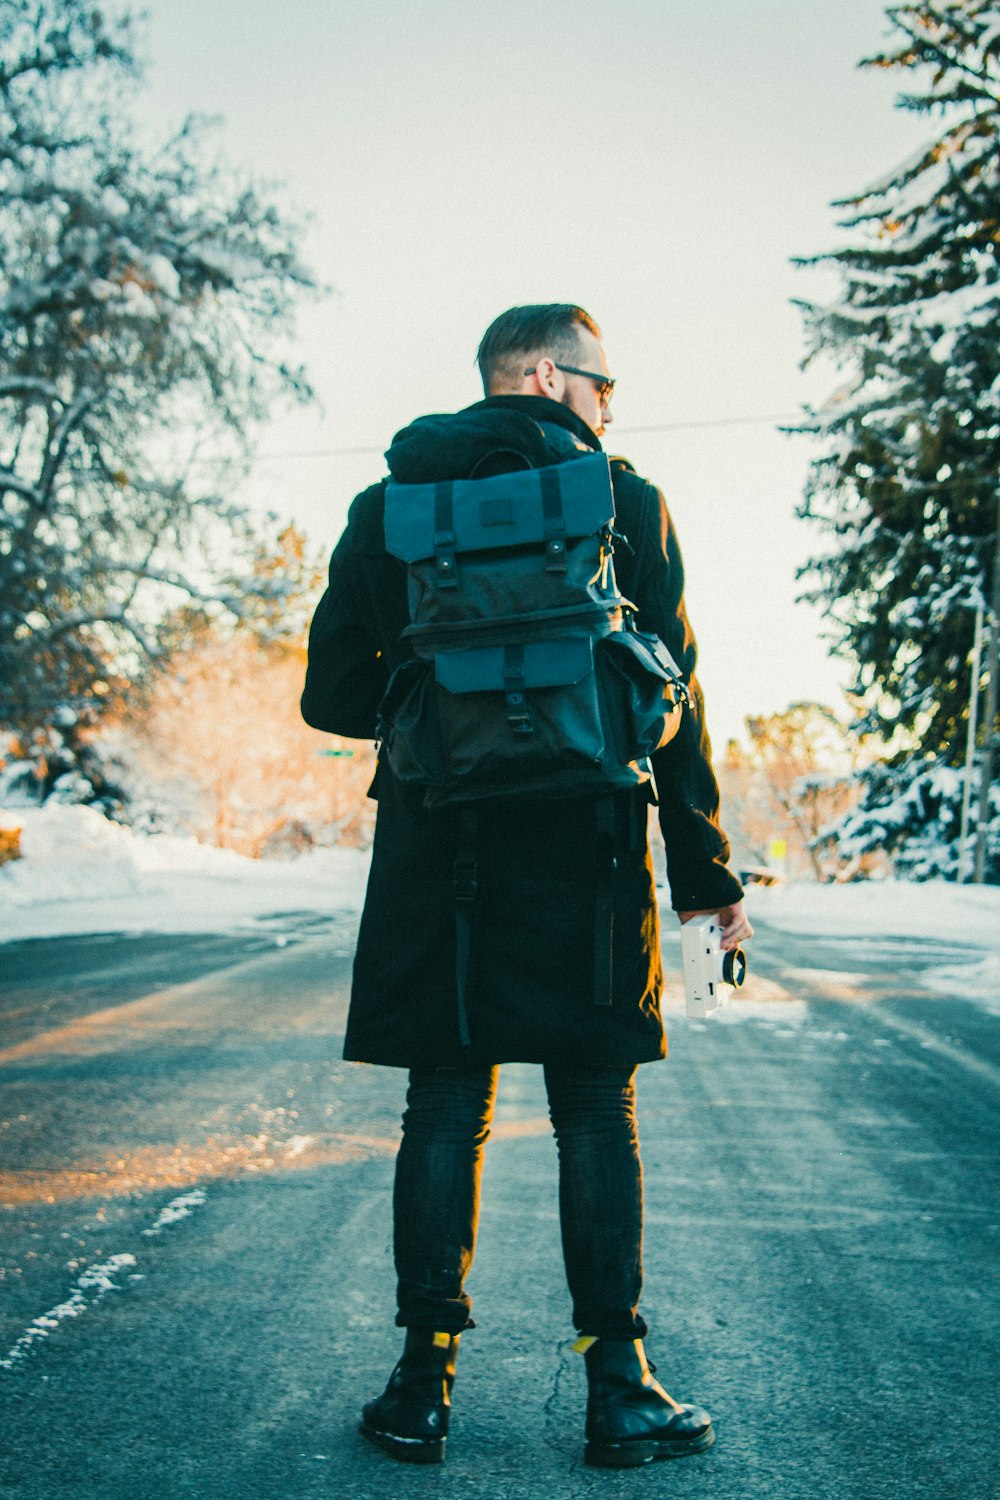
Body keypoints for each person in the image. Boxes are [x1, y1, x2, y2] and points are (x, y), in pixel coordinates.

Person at [301, 303, 753, 1469]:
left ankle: (420, 1386)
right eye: (605, 386)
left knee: (445, 1108)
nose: (609, 408)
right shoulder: (625, 501)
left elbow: (330, 696)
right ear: (553, 376)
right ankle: (619, 1386)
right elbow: (677, 704)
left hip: (435, 853)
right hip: (587, 852)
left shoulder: (388, 509)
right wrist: (706, 877)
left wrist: (441, 688)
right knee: (593, 1111)